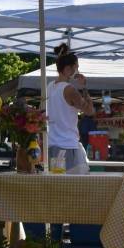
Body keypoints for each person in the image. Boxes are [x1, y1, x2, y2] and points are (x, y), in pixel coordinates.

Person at [47, 44, 95, 175]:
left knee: (57, 186)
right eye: (76, 67)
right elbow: (90, 111)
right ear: (68, 69)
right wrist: (84, 87)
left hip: (52, 144)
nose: (78, 71)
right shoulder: (69, 89)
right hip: (67, 145)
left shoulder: (50, 86)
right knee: (72, 189)